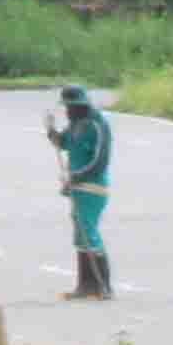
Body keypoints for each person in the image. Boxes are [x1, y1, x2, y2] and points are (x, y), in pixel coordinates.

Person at [48, 83, 115, 299]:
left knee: (88, 232)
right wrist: (52, 132)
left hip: (93, 187)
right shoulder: (76, 124)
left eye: (70, 107)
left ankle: (102, 286)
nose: (67, 111)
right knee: (81, 234)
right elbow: (64, 143)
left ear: (80, 106)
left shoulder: (97, 125)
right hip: (77, 187)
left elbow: (99, 161)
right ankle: (85, 286)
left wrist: (76, 176)